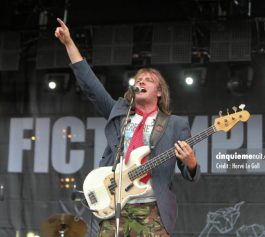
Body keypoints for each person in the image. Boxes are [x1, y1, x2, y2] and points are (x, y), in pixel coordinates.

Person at [54, 18, 200, 237]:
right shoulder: (119, 113)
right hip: (114, 205)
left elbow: (189, 173)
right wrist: (69, 44)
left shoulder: (175, 124)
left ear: (159, 92)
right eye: (138, 79)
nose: (141, 82)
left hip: (152, 210)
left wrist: (191, 162)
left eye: (148, 80)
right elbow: (91, 85)